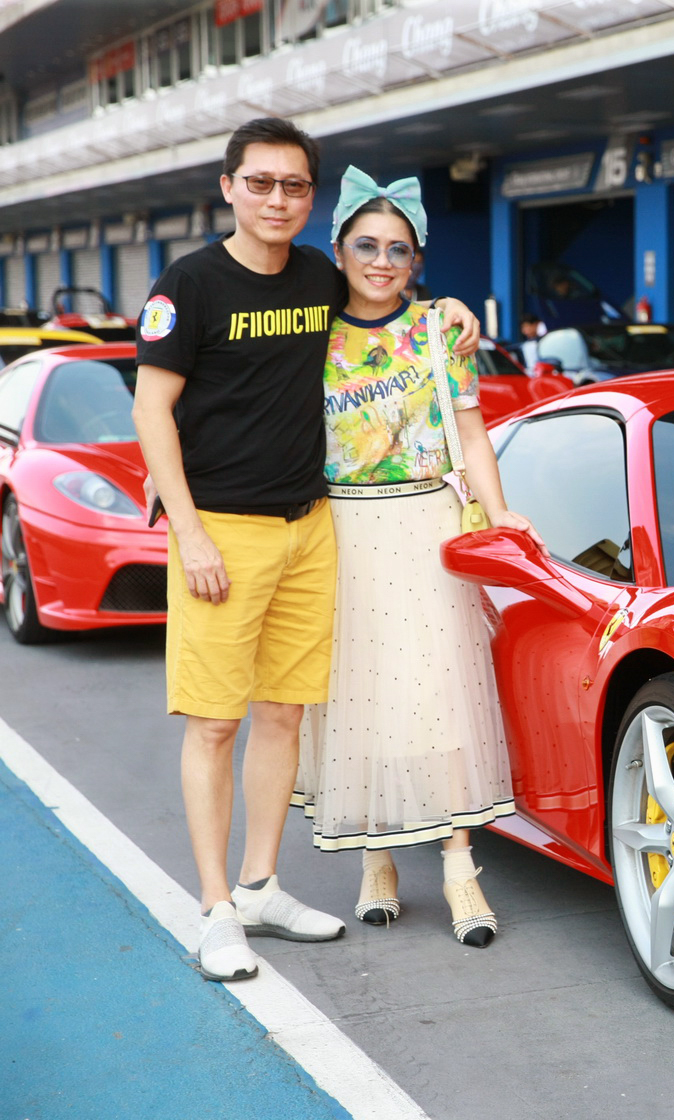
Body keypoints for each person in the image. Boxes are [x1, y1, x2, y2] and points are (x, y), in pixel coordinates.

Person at [132, 117, 482, 982]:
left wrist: (450, 310)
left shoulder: (321, 277)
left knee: (285, 716)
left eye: (293, 186)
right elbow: (150, 412)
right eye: (260, 183)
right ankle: (215, 907)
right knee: (216, 724)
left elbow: (388, 299)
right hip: (222, 533)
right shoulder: (189, 284)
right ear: (229, 187)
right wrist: (188, 528)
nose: (276, 199)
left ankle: (260, 884)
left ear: (310, 199)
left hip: (311, 527)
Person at [291, 167, 539, 948]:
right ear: (337, 249)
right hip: (341, 531)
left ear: (417, 260)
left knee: (440, 694)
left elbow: (471, 433)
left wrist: (501, 515)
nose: (381, 260)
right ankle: (377, 855)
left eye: (399, 248)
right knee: (361, 695)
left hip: (428, 527)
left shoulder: (441, 331)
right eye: (366, 244)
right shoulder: (310, 329)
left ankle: (461, 866)